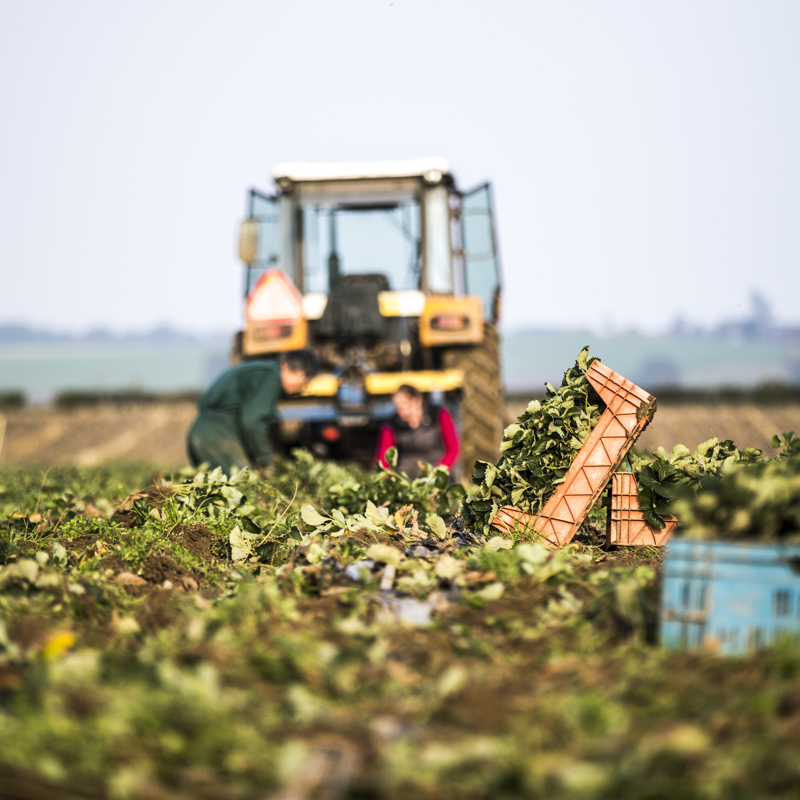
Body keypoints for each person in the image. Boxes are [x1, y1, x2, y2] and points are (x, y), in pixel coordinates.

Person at [187, 349, 320, 475]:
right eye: (303, 380)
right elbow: (253, 420)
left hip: (202, 432)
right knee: (244, 488)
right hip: (218, 435)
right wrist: (265, 461)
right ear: (289, 368)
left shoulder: (259, 370)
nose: (301, 388)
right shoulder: (270, 376)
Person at [375, 384, 459, 477]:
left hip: (436, 476)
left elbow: (453, 450)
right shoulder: (390, 425)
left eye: (405, 404)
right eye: (398, 407)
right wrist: (380, 478)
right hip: (406, 479)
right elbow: (383, 458)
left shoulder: (439, 414)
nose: (401, 410)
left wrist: (437, 474)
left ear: (417, 401)